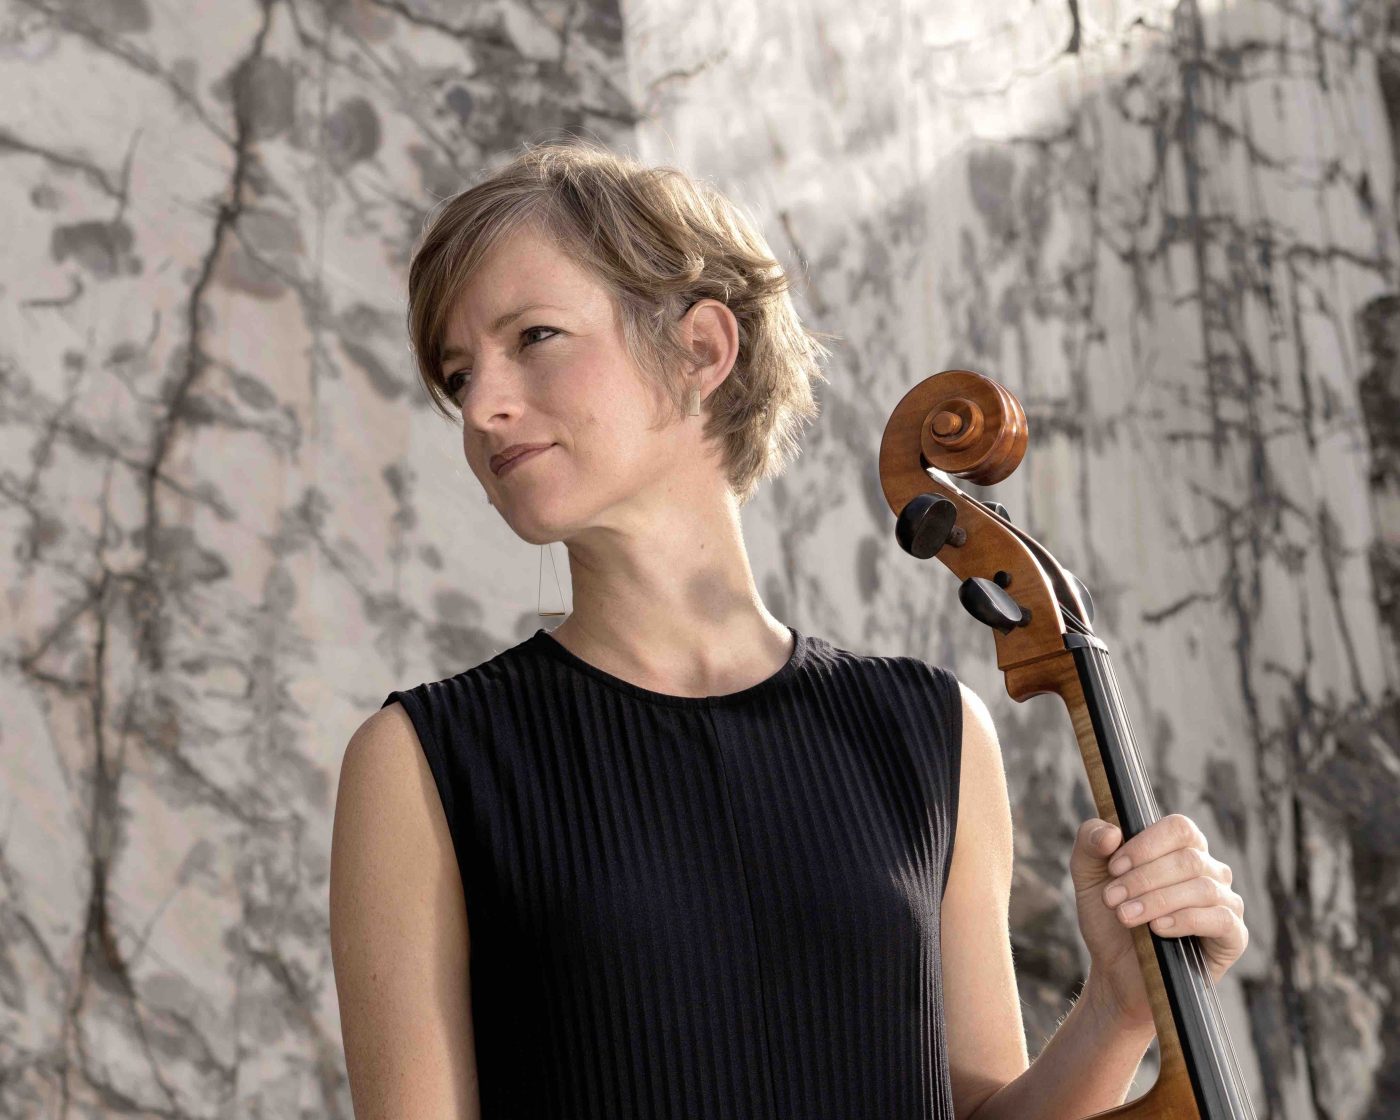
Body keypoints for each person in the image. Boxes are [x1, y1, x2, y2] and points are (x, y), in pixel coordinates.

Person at [329, 137, 1249, 1119]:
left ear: (700, 349)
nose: (483, 407)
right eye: (458, 374)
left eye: (534, 337)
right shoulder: (421, 763)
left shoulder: (927, 732)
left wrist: (1118, 1008)